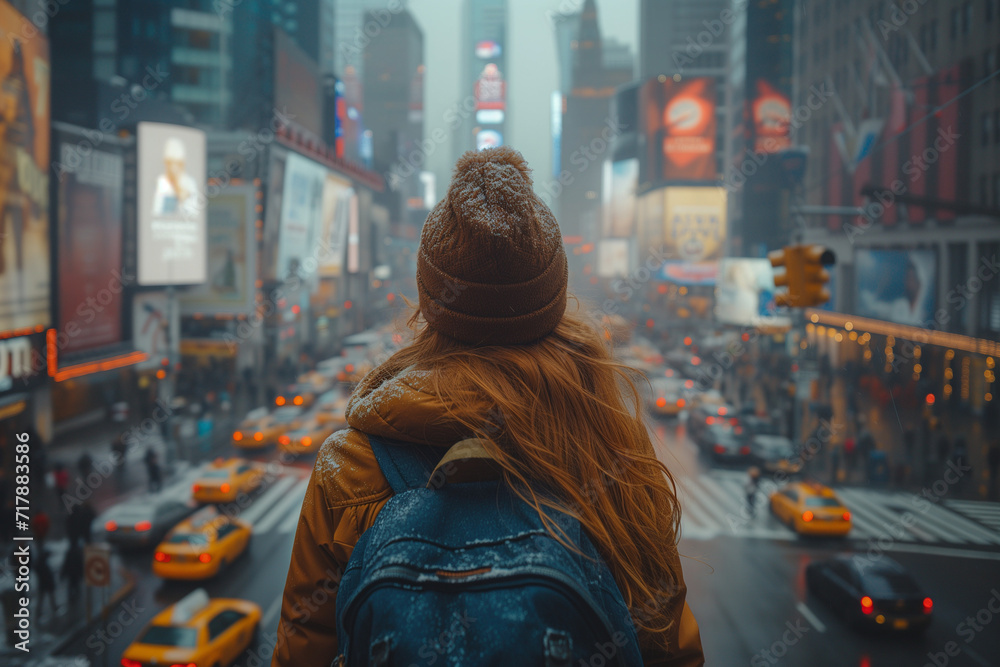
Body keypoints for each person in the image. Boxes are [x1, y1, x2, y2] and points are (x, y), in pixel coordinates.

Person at [273, 148, 704, 666]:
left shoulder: (348, 469)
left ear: (428, 300)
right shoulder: (611, 444)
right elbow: (667, 646)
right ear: (556, 295)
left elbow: (303, 653)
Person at [60, 540, 84, 606]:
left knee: (71, 585)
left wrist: (63, 574)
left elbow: (66, 563)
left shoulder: (69, 552)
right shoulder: (78, 552)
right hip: (75, 573)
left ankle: (71, 597)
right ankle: (75, 597)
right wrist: (82, 574)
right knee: (75, 585)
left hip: (71, 572)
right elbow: (80, 564)